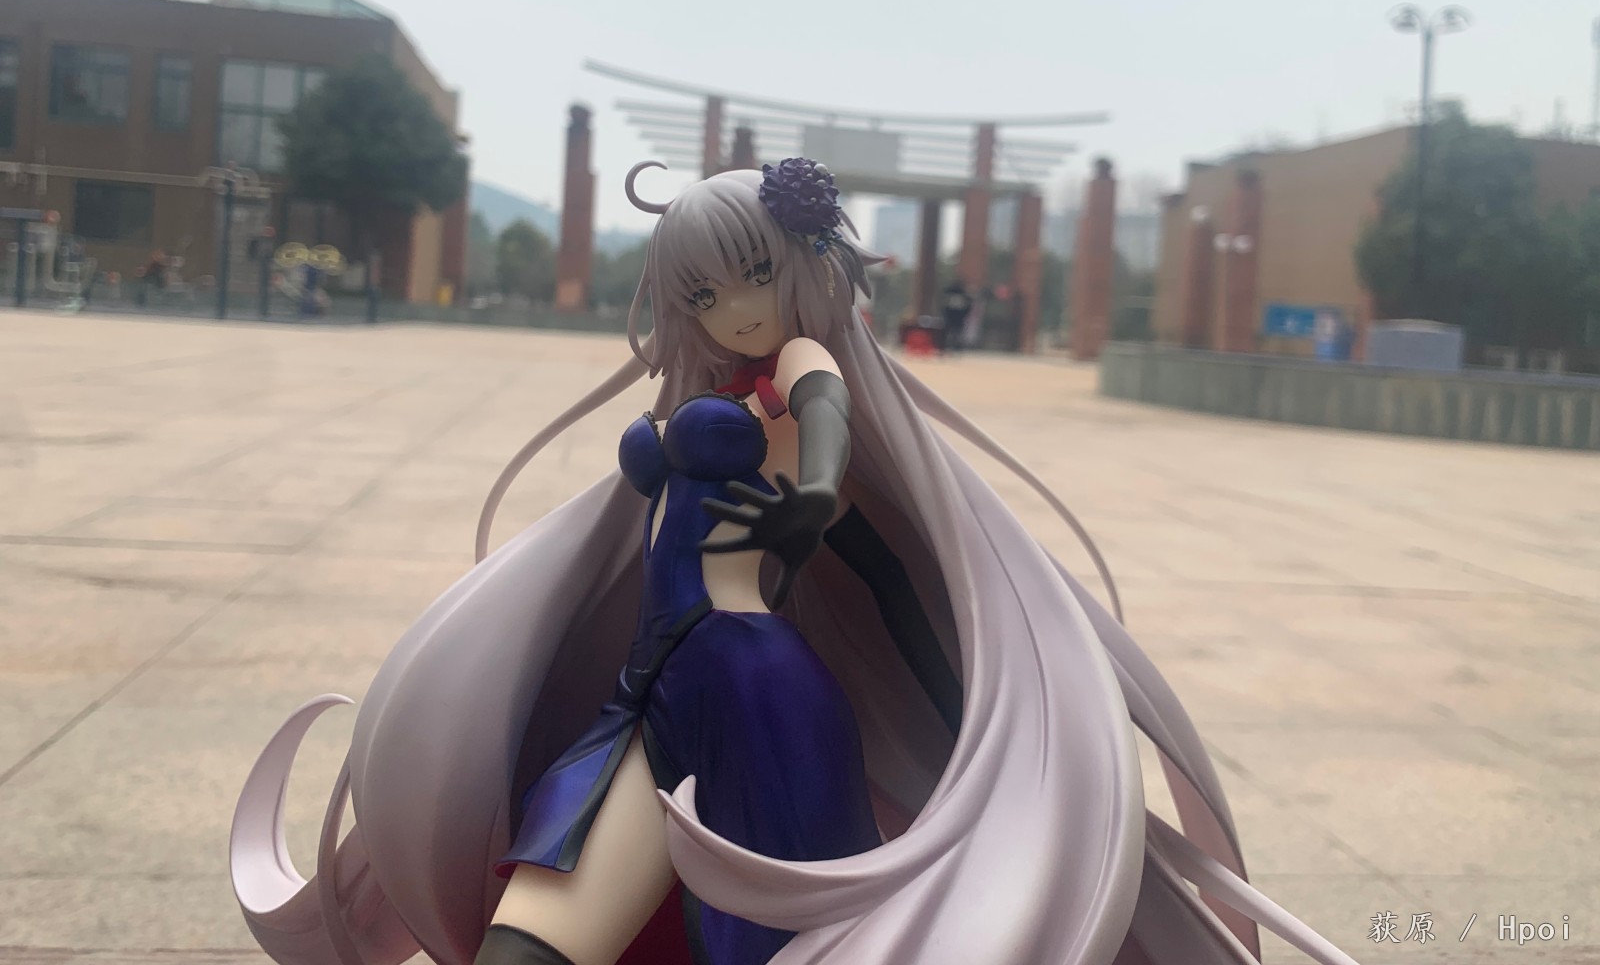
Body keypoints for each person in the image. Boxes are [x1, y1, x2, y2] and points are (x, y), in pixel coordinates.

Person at [231, 160, 1360, 965]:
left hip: (757, 701)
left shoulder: (803, 367)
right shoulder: (716, 392)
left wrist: (815, 500)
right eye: (701, 293)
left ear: (804, 269)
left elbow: (831, 438)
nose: (730, 311)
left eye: (750, 277)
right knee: (529, 944)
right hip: (651, 699)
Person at [938, 280, 972, 354]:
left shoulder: (961, 293)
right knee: (951, 332)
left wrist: (964, 314)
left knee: (957, 332)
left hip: (957, 317)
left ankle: (956, 346)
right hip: (952, 316)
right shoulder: (953, 292)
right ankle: (948, 346)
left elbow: (968, 305)